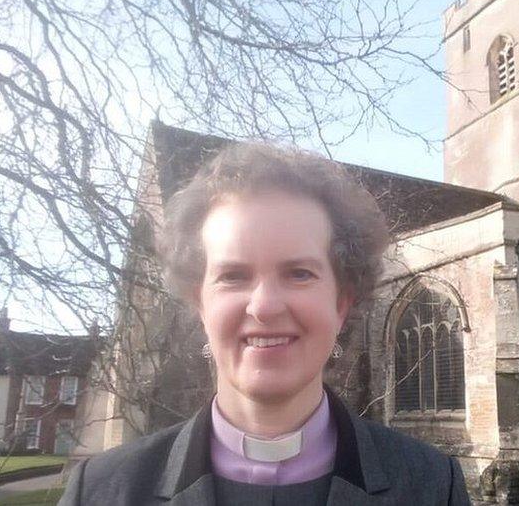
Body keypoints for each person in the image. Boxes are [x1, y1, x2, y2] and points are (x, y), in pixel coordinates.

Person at [59, 144, 471, 505]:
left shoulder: (434, 486)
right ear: (199, 303)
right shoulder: (100, 490)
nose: (265, 306)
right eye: (233, 276)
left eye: (299, 273)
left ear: (342, 303)